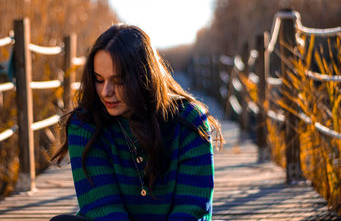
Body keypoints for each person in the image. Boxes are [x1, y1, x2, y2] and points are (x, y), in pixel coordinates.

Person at [50, 24, 223, 221]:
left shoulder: (190, 121)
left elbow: (192, 209)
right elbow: (104, 210)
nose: (106, 92)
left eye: (118, 81)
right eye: (99, 79)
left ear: (145, 77)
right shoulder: (84, 125)